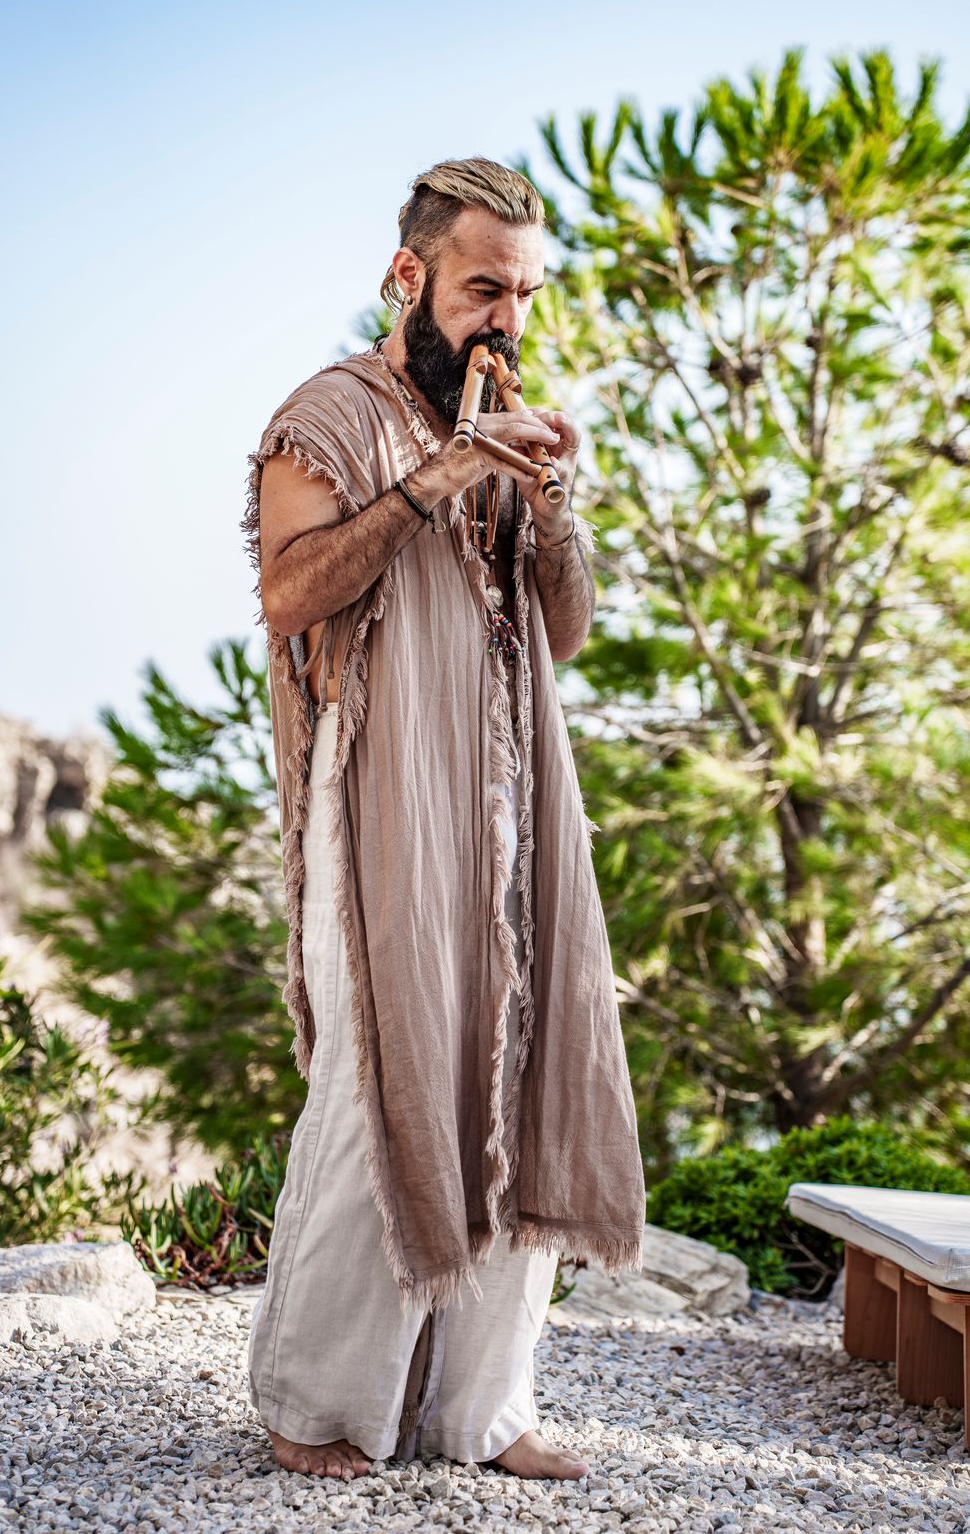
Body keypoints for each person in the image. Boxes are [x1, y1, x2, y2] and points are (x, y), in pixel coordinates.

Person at [241, 157, 646, 1483]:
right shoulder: (327, 415)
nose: (504, 322)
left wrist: (549, 508)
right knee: (381, 1078)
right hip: (380, 794)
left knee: (517, 1073)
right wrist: (438, 477)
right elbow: (291, 594)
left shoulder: (509, 423)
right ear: (408, 276)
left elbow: (564, 634)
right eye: (482, 290)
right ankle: (318, 1406)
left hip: (517, 795)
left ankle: (480, 1412)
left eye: (523, 295)